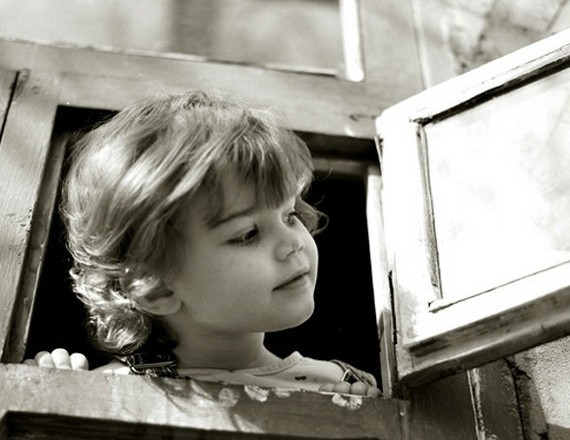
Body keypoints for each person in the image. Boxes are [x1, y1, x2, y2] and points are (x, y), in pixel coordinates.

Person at [25, 90, 380, 397]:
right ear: (156, 289)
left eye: (289, 215)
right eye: (247, 234)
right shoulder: (108, 392)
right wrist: (52, 400)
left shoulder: (339, 387)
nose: (292, 242)